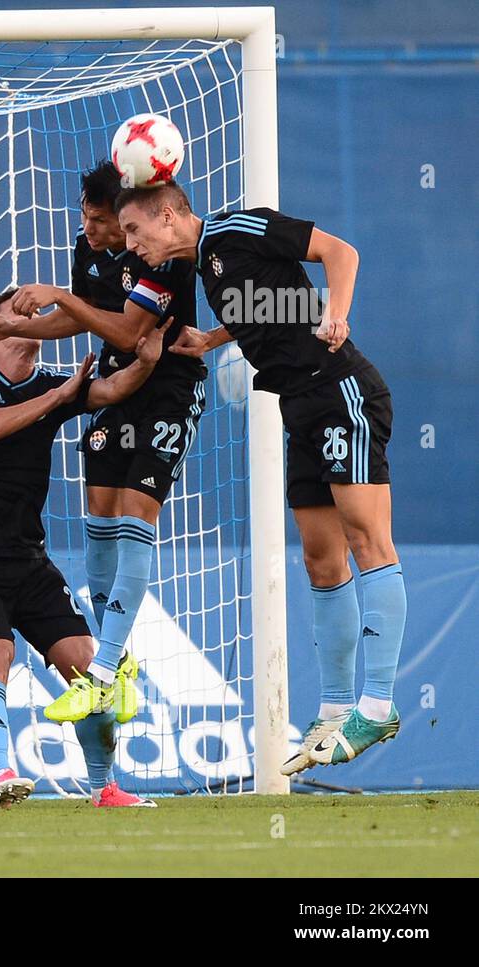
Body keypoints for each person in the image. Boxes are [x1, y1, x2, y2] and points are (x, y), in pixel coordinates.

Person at [114, 184, 403, 772]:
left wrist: (337, 313)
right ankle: (335, 707)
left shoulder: (238, 228)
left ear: (167, 215)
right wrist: (214, 339)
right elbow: (272, 307)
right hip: (298, 406)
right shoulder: (207, 266)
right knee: (322, 561)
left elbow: (341, 253)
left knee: (367, 541)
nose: (130, 245)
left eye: (134, 232)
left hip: (339, 390)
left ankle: (378, 705)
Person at [0, 287, 170, 808]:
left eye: (36, 311)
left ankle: (103, 787)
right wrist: (58, 399)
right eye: (18, 311)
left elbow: (109, 391)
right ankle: (0, 776)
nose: (33, 320)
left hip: (29, 560)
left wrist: (147, 362)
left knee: (89, 668)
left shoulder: (50, 382)